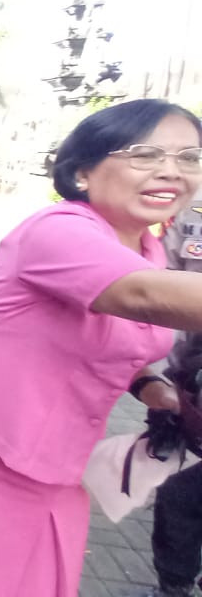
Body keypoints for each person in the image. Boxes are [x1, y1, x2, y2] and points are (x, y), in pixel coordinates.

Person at [0, 100, 202, 597]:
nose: (171, 171)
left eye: (189, 157)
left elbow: (124, 340)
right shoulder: (58, 229)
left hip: (53, 454)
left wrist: (153, 387)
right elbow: (142, 296)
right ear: (83, 172)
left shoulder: (149, 248)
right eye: (145, 154)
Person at [144, 185, 202, 597]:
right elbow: (159, 278)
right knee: (177, 495)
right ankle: (173, 588)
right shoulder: (193, 211)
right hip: (191, 377)